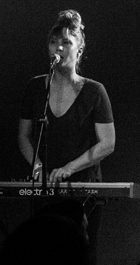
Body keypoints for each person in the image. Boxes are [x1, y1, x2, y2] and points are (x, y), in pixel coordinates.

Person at [18, 10, 116, 184]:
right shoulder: (35, 87)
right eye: (53, 42)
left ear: (79, 51)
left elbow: (107, 143)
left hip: (82, 184)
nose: (59, 48)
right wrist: (38, 166)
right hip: (44, 182)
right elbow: (24, 136)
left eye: (66, 42)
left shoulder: (94, 91)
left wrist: (70, 168)